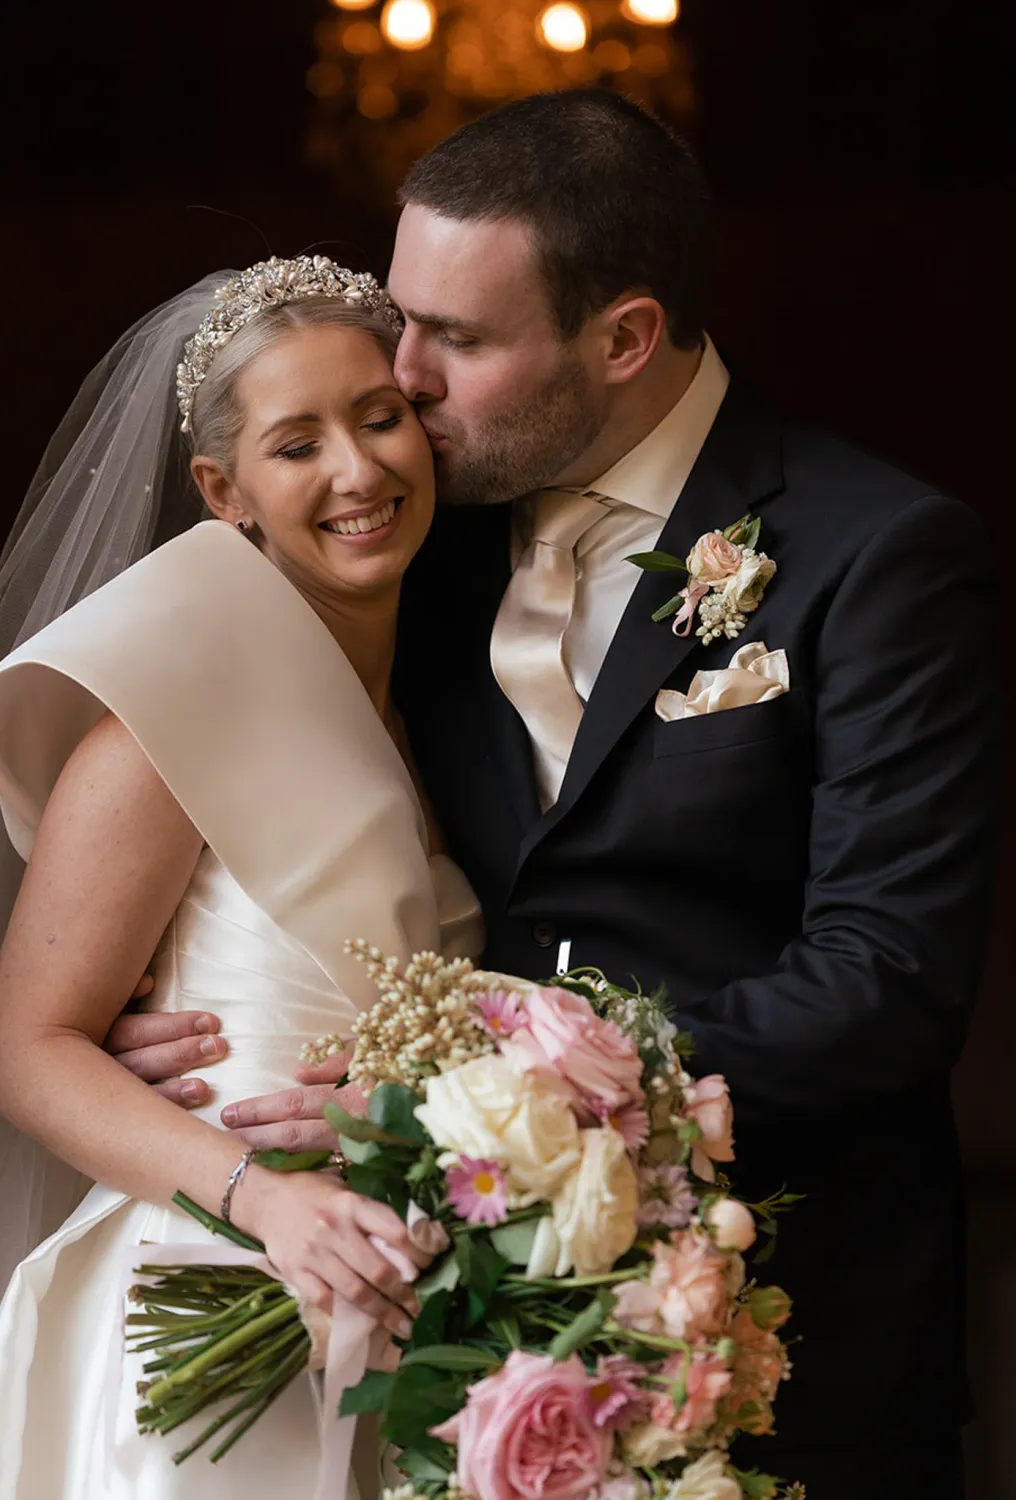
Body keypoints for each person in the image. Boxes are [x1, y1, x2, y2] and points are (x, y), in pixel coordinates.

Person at [118, 92, 1001, 1498]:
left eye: (456, 340)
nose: (402, 378)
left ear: (625, 338)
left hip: (782, 1335)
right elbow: (252, 783)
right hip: (454, 1345)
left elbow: (884, 982)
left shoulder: (879, 556)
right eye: (404, 317)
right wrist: (161, 1003)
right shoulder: (415, 530)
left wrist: (464, 1089)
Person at [0, 260, 484, 1499]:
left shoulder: (422, 714)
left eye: (379, 416)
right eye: (298, 444)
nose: (358, 472)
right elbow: (30, 1048)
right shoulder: (160, 724)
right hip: (204, 1324)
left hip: (388, 1306)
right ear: (224, 491)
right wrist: (267, 1205)